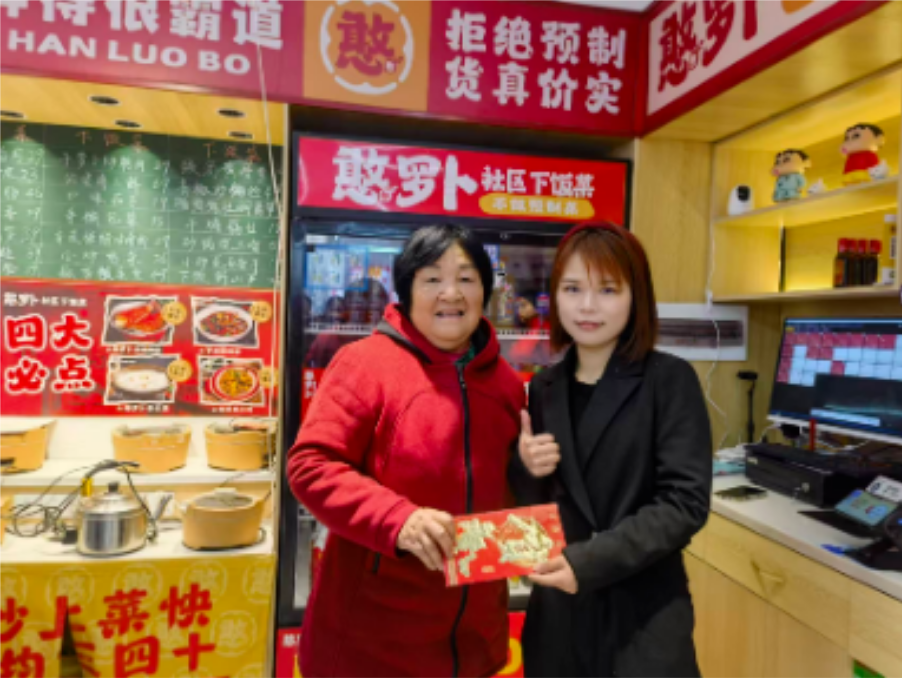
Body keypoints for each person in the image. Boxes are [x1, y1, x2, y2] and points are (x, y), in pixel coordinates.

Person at [287, 224, 525, 677]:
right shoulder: (365, 364)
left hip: (476, 644)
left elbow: (512, 491)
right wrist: (397, 520)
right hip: (371, 647)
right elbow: (311, 465)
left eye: (467, 278)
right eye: (432, 279)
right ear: (407, 291)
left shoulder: (507, 385)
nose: (450, 293)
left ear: (485, 291)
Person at [509, 223, 712, 677]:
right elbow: (537, 508)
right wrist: (525, 466)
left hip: (641, 614)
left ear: (636, 296)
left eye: (607, 289)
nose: (587, 305)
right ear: (554, 297)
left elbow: (684, 503)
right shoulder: (544, 388)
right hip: (559, 617)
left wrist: (588, 562)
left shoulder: (669, 380)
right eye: (572, 289)